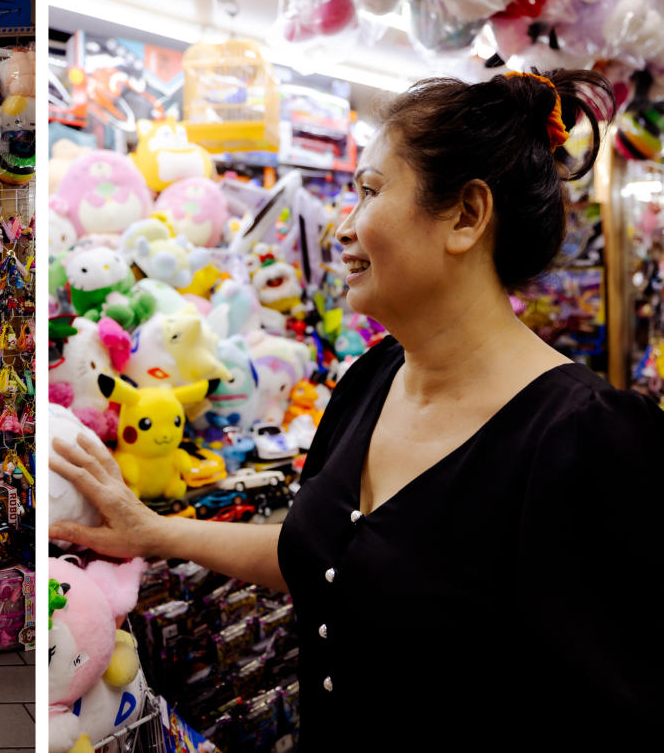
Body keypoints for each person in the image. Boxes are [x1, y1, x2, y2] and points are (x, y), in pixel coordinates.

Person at [50, 69, 664, 750]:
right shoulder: (372, 378)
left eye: (369, 191)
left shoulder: (585, 438)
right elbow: (319, 554)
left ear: (466, 216)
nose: (341, 227)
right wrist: (154, 532)